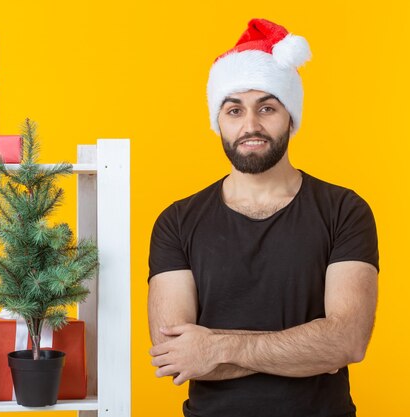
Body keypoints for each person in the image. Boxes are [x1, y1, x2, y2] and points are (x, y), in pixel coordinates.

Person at [147, 18, 379, 417]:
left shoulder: (345, 211)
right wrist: (307, 348)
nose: (250, 126)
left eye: (267, 108)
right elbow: (177, 354)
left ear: (290, 116)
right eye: (234, 110)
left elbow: (346, 342)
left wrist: (216, 346)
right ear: (217, 122)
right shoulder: (177, 222)